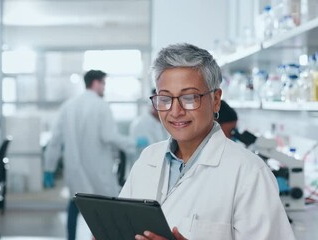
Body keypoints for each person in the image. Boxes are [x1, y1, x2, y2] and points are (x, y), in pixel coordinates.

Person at [120, 43, 294, 240]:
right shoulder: (148, 159)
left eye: (189, 97)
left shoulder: (249, 172)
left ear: (216, 99)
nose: (176, 111)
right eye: (165, 98)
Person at [44, 70, 146, 240]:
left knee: (74, 204)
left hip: (75, 170)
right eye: (104, 84)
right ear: (97, 83)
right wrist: (133, 143)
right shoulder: (101, 105)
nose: (104, 88)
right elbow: (109, 136)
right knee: (103, 213)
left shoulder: (68, 106)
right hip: (98, 171)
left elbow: (55, 140)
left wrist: (49, 167)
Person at [129, 89, 170, 171]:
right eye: (157, 101)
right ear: (151, 102)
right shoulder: (140, 124)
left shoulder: (166, 121)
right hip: (145, 170)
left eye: (164, 101)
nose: (159, 105)